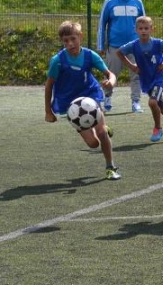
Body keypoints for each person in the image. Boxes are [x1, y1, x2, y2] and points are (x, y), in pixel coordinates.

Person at [45, 20, 122, 180]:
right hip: (71, 105)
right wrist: (48, 111)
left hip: (90, 95)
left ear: (80, 37)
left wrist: (111, 82)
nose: (70, 43)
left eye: (73, 39)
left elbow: (110, 74)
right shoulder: (57, 61)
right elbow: (49, 84)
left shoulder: (90, 55)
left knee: (102, 133)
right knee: (93, 144)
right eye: (66, 41)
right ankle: (101, 128)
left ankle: (110, 167)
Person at [117, 16, 163, 143]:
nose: (143, 31)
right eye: (141, 28)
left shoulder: (158, 43)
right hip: (147, 80)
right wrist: (132, 66)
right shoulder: (133, 45)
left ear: (152, 29)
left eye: (146, 28)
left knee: (152, 102)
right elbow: (119, 52)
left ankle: (158, 128)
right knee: (161, 107)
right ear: (136, 30)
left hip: (159, 79)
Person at [97, 0, 146, 113]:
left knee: (136, 75)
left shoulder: (137, 2)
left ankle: (136, 102)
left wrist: (145, 43)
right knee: (110, 74)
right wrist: (101, 45)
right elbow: (102, 24)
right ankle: (107, 98)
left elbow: (144, 23)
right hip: (115, 47)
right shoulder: (109, 2)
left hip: (134, 46)